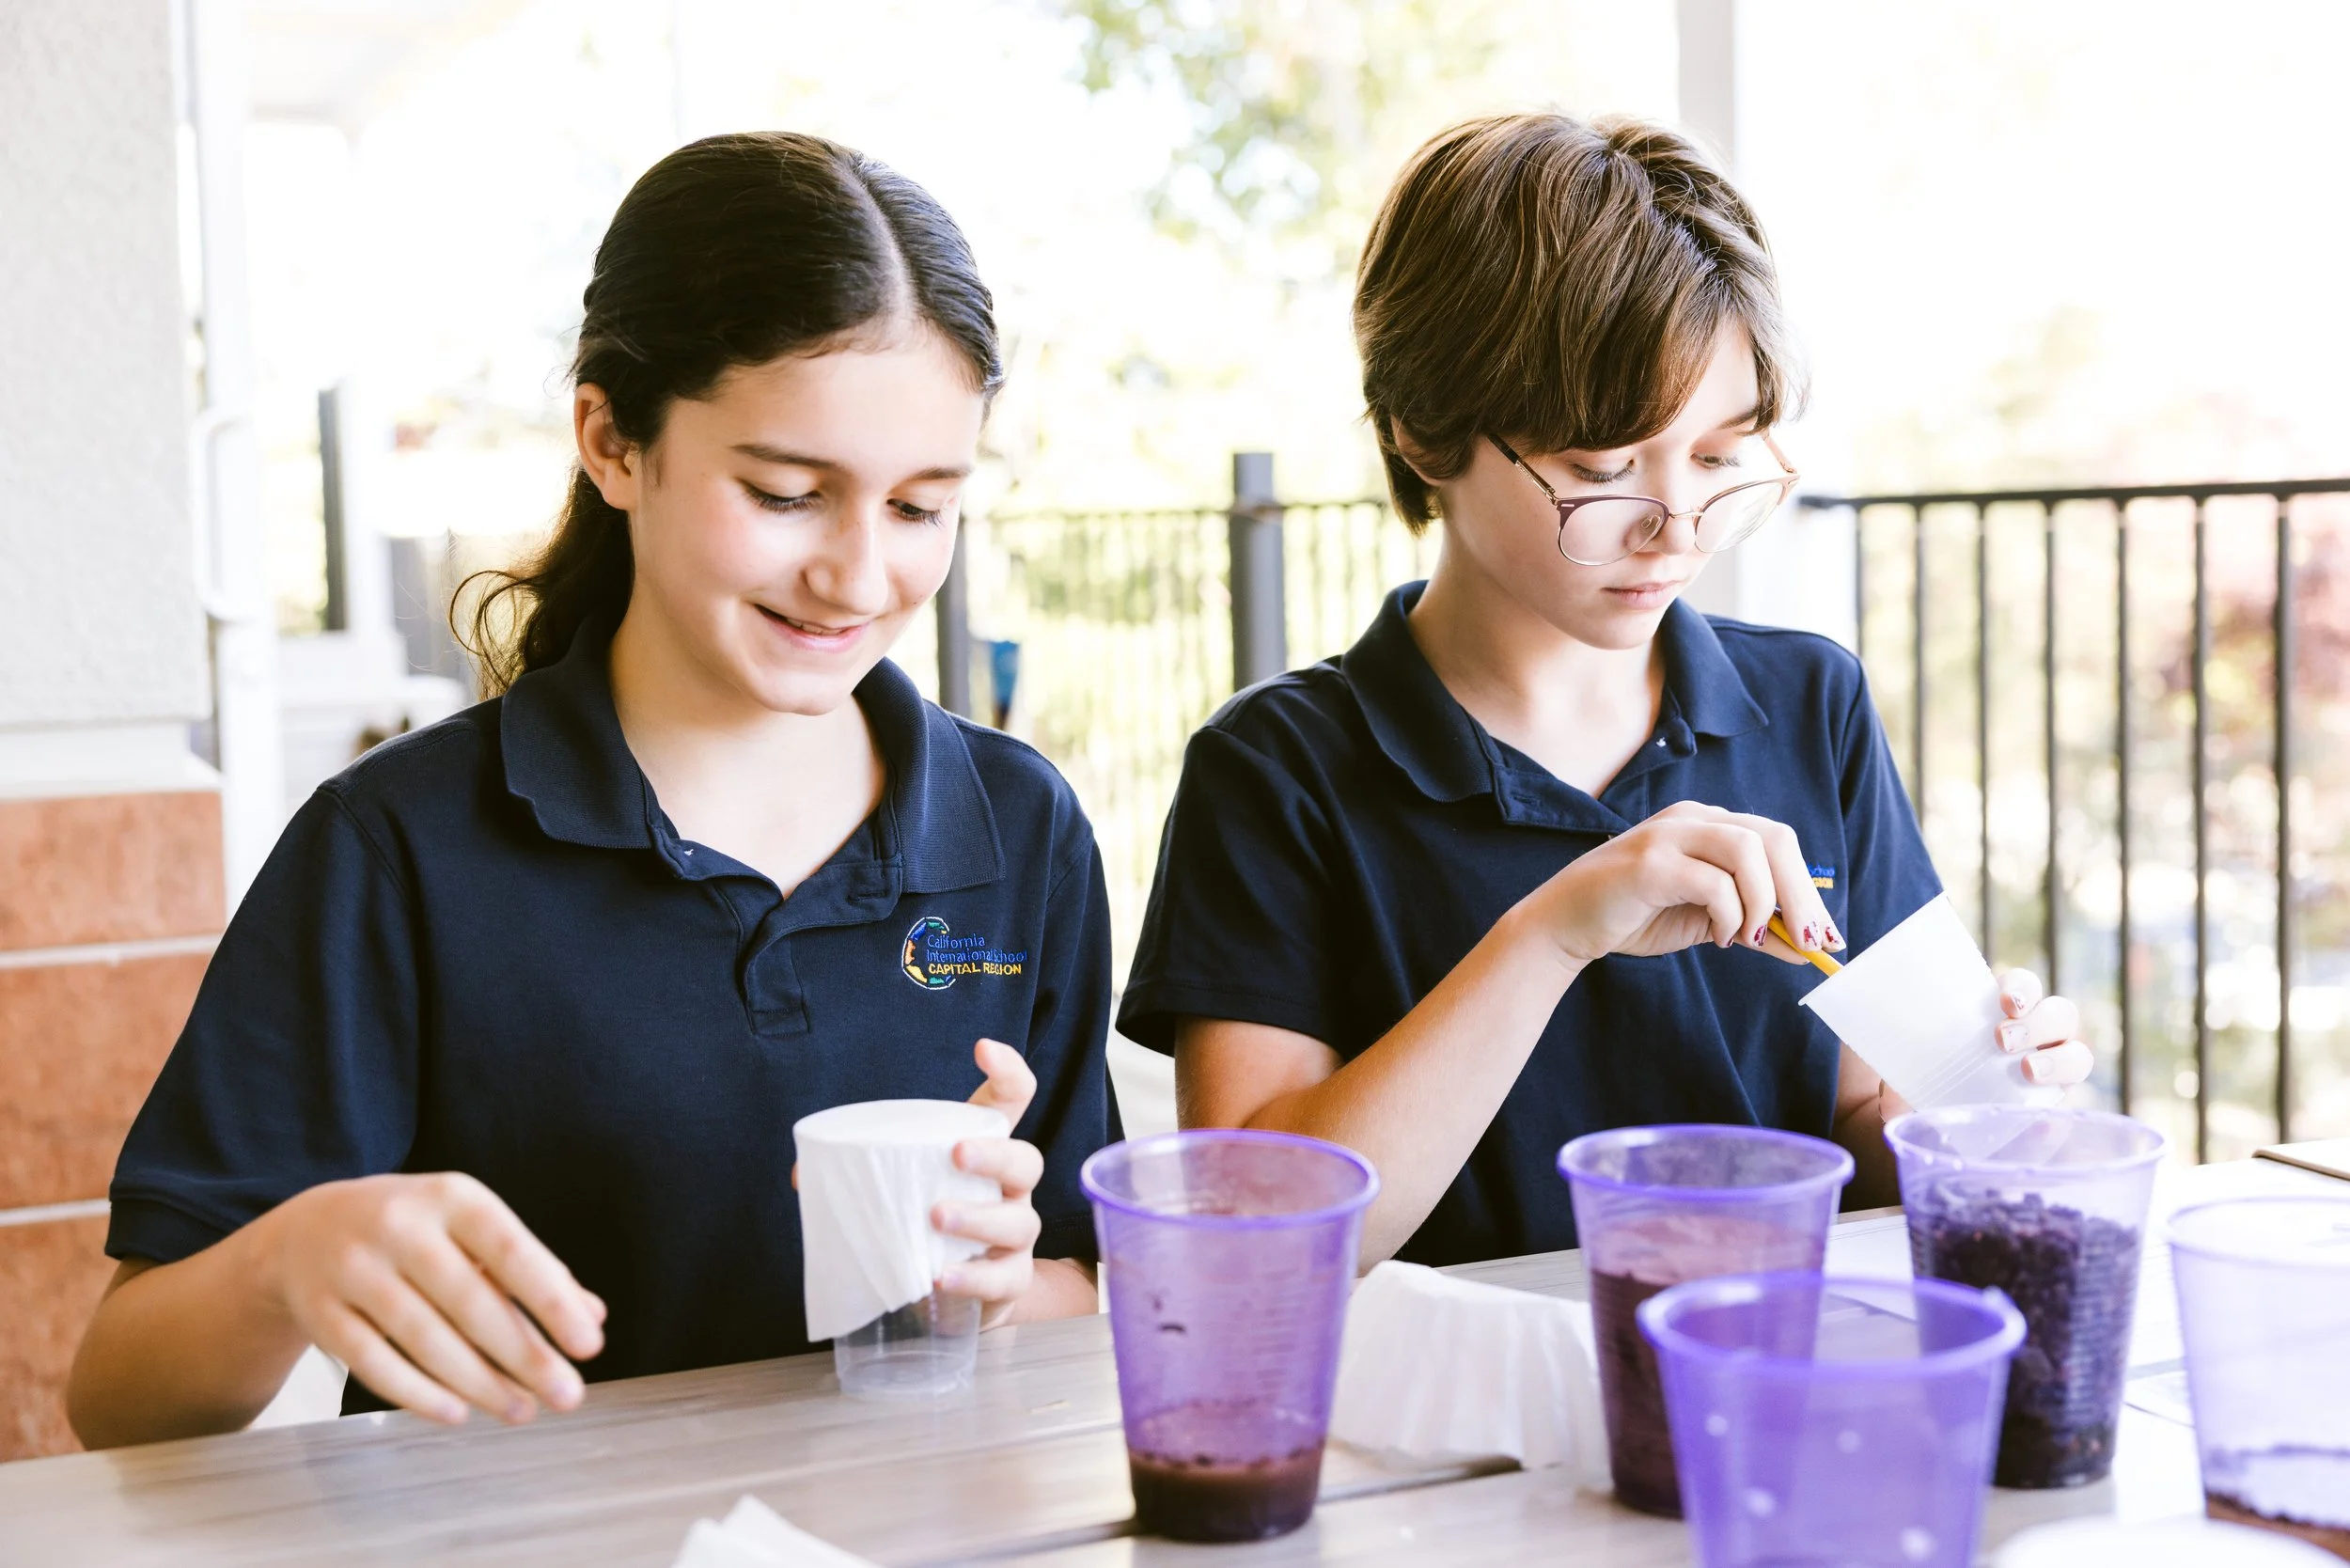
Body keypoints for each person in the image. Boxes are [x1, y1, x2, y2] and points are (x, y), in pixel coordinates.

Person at [69, 133, 1117, 1447]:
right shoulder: (396, 851)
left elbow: (1091, 1290)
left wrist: (1003, 1290)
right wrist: (290, 1258)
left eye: (920, 507)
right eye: (787, 493)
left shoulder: (1021, 833)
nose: (860, 577)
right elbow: (118, 1398)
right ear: (613, 442)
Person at [1120, 113, 2092, 1270]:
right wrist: (1550, 935)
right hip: (1444, 1420)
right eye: (1602, 469)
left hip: (1761, 1378)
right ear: (1422, 434)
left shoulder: (1807, 703)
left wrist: (1978, 1115)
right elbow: (1252, 1240)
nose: (1677, 525)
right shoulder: (1278, 769)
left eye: (1720, 459)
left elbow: (1852, 1120)